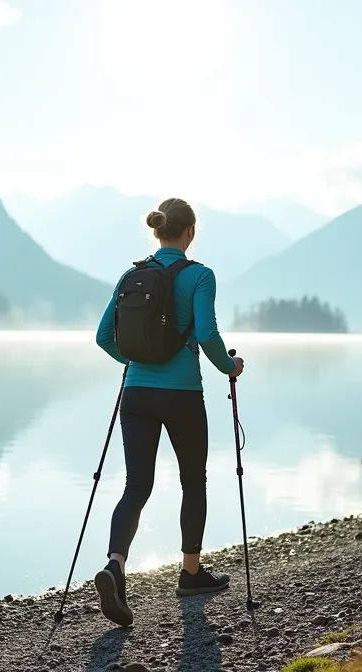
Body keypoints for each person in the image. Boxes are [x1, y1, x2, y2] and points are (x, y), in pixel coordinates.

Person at [92, 196, 245, 627]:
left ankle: (115, 566)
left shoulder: (132, 275)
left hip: (137, 394)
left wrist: (138, 363)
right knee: (193, 481)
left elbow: (104, 336)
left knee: (136, 485)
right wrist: (229, 367)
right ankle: (191, 574)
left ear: (157, 231)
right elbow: (208, 332)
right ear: (190, 232)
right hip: (181, 395)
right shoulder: (199, 276)